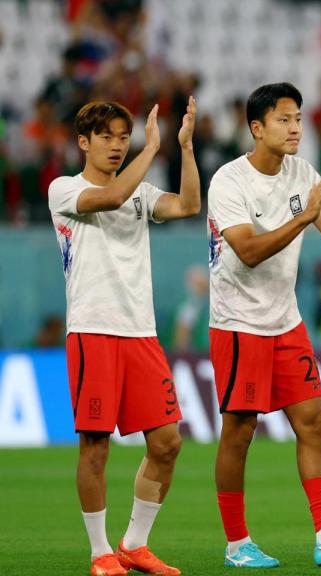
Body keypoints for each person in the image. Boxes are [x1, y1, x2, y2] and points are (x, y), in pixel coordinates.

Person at [207, 82, 321, 569]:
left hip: (286, 322)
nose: (296, 128)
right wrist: (303, 217)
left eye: (299, 119)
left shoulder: (302, 172)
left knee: (313, 424)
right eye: (285, 119)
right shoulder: (229, 181)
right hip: (239, 322)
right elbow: (246, 251)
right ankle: (236, 543)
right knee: (239, 432)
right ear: (257, 127)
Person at [48, 97, 200, 576]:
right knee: (95, 445)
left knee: (168, 443)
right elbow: (111, 197)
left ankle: (134, 544)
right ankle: (99, 554)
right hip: (93, 330)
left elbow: (190, 204)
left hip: (141, 333)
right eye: (107, 137)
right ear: (84, 142)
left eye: (123, 137)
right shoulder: (64, 190)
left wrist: (186, 149)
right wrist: (151, 149)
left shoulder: (139, 192)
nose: (116, 146)